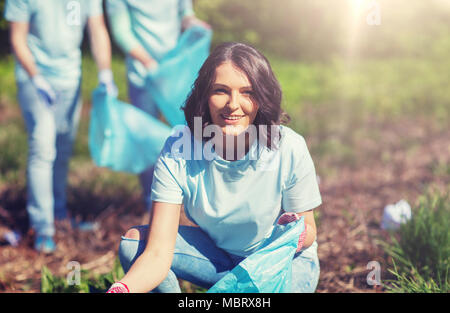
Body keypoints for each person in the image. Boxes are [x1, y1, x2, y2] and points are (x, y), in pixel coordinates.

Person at [106, 42, 322, 293]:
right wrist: (121, 288)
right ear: (204, 96)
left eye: (247, 92)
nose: (233, 104)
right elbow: (156, 253)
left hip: (280, 262)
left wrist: (290, 236)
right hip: (221, 258)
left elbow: (309, 231)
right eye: (220, 91)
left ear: (262, 98)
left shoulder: (288, 147)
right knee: (135, 245)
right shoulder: (179, 149)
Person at [5, 0, 117, 253]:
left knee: (63, 148)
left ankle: (60, 217)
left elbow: (97, 28)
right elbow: (17, 38)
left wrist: (106, 73)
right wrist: (36, 76)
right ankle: (42, 228)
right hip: (36, 78)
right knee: (43, 149)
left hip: (70, 78)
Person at [105, 0, 210, 214]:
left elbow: (184, 14)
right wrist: (149, 63)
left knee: (191, 133)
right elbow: (121, 32)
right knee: (146, 139)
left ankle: (191, 197)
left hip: (176, 74)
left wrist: (193, 23)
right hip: (143, 77)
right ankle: (151, 201)